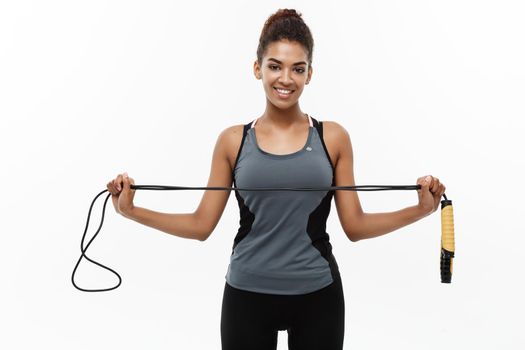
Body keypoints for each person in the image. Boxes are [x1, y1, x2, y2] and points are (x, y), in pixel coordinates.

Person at [106, 8, 446, 350]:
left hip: (318, 296)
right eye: (275, 66)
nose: (286, 79)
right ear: (258, 68)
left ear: (310, 74)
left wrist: (421, 210)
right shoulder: (232, 141)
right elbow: (200, 224)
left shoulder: (333, 138)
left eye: (297, 68)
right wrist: (131, 211)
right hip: (247, 296)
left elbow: (355, 226)